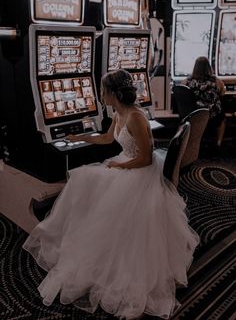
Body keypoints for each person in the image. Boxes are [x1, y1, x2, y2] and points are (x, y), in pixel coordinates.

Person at [23, 69, 199, 320]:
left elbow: (146, 158)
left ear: (114, 93)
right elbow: (107, 139)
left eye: (103, 90)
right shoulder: (119, 112)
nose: (100, 94)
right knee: (84, 179)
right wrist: (79, 137)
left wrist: (119, 166)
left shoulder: (136, 117)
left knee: (86, 180)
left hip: (140, 170)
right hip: (126, 163)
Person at [183, 56, 226, 148]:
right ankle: (218, 143)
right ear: (208, 67)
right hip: (212, 116)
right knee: (222, 116)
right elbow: (222, 94)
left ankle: (191, 143)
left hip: (194, 115)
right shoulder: (216, 81)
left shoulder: (187, 81)